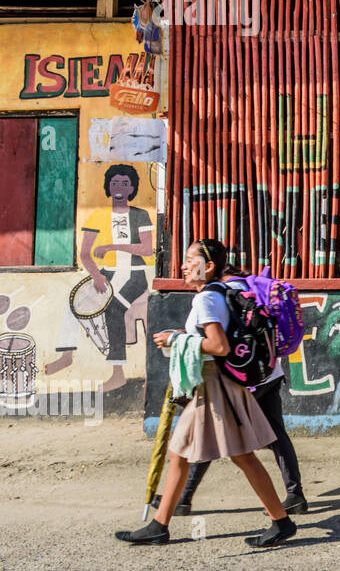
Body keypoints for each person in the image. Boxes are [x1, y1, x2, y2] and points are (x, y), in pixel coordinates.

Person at [114, 239, 296, 547]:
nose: (183, 265)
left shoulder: (205, 300)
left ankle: (281, 521)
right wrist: (185, 337)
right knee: (183, 454)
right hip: (215, 385)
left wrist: (176, 340)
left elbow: (218, 346)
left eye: (189, 259)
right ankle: (160, 525)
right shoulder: (221, 293)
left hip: (215, 387)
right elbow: (213, 339)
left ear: (208, 266)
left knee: (238, 457)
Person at [167, 263, 307, 516]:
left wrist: (182, 339)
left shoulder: (220, 293)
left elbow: (222, 342)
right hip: (269, 371)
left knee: (210, 434)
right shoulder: (250, 287)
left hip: (241, 377)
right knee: (275, 435)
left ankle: (184, 498)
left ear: (213, 269)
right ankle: (294, 494)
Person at [46, 164, 154, 391]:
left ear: (132, 188)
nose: (119, 187)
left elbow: (146, 249)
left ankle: (118, 373)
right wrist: (96, 276)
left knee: (113, 309)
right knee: (73, 302)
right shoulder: (98, 215)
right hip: (107, 273)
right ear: (108, 186)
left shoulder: (140, 214)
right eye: (114, 182)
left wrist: (112, 246)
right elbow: (85, 253)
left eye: (125, 183)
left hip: (134, 276)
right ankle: (67, 355)